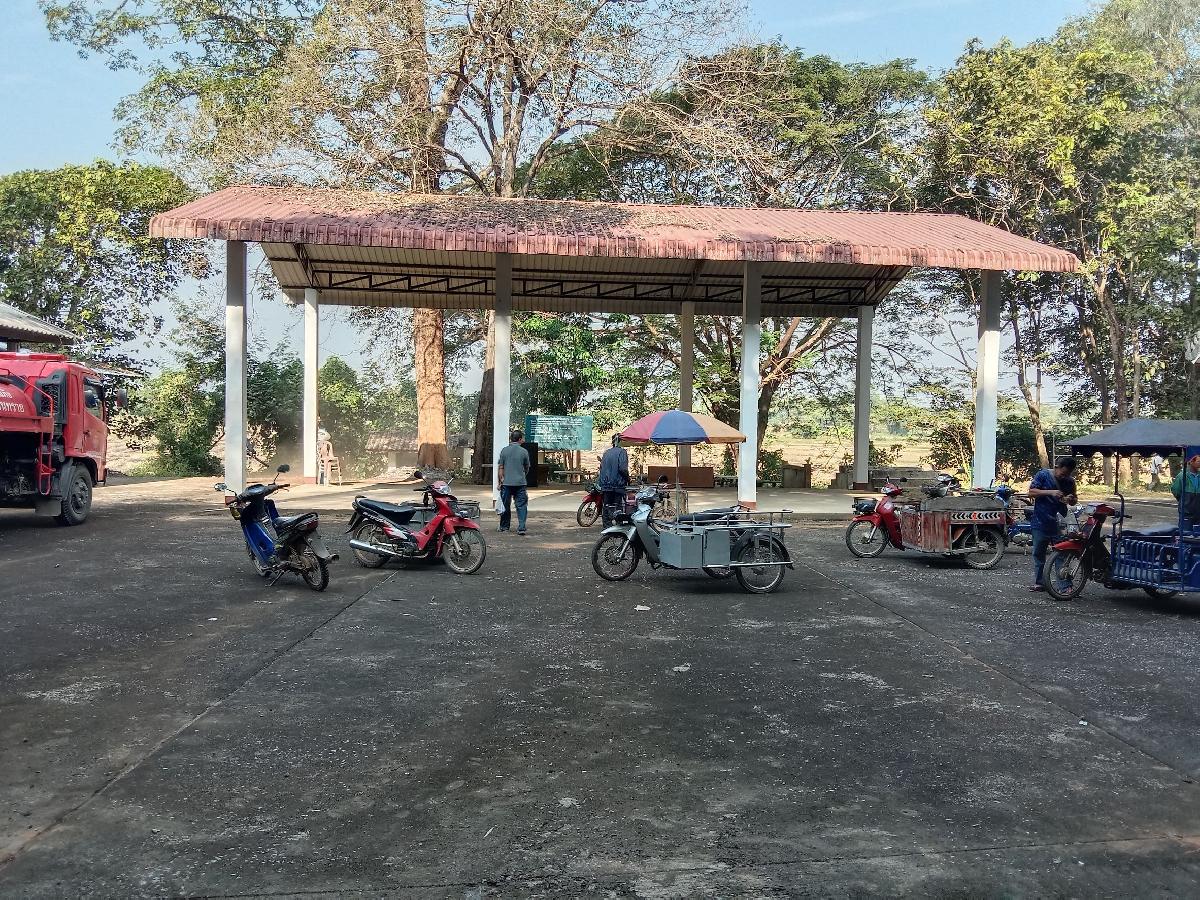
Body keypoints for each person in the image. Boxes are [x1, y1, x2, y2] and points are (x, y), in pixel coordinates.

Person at [1027, 456, 1078, 593]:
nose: (1064, 477)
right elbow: (1031, 492)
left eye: (1068, 474)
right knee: (1038, 553)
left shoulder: (1070, 481)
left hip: (1059, 523)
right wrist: (1051, 492)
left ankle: (1065, 586)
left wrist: (1070, 499)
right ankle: (1040, 583)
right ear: (1057, 467)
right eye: (1063, 473)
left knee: (1061, 554)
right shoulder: (1043, 475)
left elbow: (1074, 500)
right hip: (1040, 520)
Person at [497, 429, 531, 535]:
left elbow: (501, 467)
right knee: (521, 505)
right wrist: (522, 475)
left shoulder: (504, 451)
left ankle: (504, 527)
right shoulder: (524, 452)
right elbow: (527, 467)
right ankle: (521, 527)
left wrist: (500, 482)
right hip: (520, 483)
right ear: (520, 439)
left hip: (506, 483)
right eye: (522, 438)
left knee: (505, 505)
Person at [597, 434, 630, 526]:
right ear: (619, 441)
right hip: (617, 484)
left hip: (605, 485)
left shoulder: (606, 453)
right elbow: (622, 469)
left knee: (607, 505)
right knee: (618, 506)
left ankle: (607, 526)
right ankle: (619, 525)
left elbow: (601, 468)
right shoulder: (622, 452)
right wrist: (628, 479)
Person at [1171, 453, 1200, 534]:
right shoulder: (1182, 476)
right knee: (1185, 534)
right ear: (1191, 462)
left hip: (1199, 513)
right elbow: (1176, 490)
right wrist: (1184, 500)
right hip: (1186, 512)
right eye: (1198, 461)